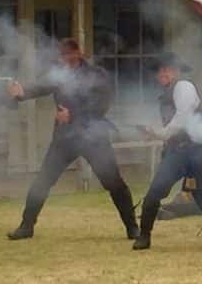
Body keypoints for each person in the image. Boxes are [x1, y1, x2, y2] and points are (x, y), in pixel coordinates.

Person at [7, 38, 138, 240]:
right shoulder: (58, 75)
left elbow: (102, 106)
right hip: (65, 138)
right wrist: (21, 92)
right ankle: (26, 226)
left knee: (114, 183)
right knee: (43, 181)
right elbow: (40, 87)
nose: (66, 58)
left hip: (93, 136)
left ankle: (132, 227)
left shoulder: (97, 75)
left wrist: (73, 115)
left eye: (70, 53)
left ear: (78, 53)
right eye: (63, 54)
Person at [133, 52, 202, 251]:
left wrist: (161, 133)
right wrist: (155, 133)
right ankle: (144, 236)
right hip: (177, 152)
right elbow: (174, 123)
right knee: (154, 194)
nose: (163, 73)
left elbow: (182, 117)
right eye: (160, 70)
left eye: (167, 69)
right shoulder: (168, 93)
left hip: (195, 152)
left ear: (176, 71)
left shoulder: (183, 86)